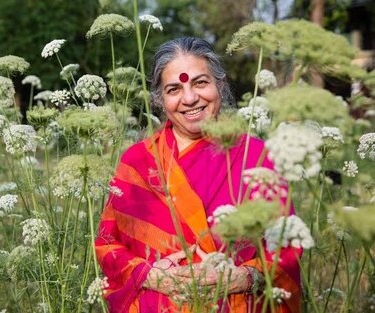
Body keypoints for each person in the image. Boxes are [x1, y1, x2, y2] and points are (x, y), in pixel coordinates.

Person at [95, 37, 301, 313]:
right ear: (160, 99)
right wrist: (152, 275)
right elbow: (107, 244)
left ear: (221, 84)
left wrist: (244, 276)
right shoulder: (138, 162)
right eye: (174, 89)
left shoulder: (258, 157)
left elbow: (287, 247)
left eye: (200, 83)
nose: (190, 98)